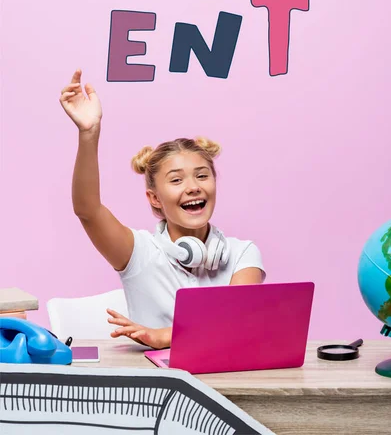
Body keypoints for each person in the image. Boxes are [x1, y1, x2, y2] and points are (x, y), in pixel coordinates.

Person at [60, 69, 266, 349]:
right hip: (154, 385)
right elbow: (87, 210)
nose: (193, 187)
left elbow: (236, 321)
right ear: (154, 198)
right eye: (177, 180)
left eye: (202, 175)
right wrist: (89, 133)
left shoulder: (243, 253)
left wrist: (163, 336)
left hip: (228, 380)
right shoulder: (139, 252)